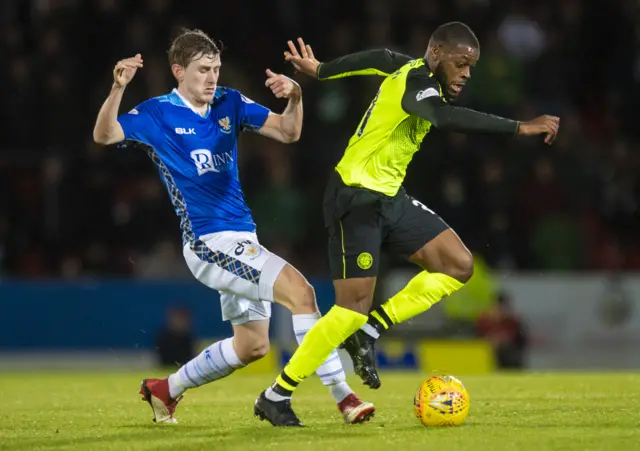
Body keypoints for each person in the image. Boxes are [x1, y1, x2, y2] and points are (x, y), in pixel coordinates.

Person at [254, 22, 559, 425]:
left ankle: (371, 330)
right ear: (437, 53)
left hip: (389, 197)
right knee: (350, 309)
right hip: (355, 198)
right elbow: (441, 116)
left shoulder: (411, 67)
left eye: (471, 66)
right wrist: (520, 127)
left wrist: (323, 70)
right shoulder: (418, 83)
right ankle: (277, 394)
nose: (467, 73)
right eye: (461, 63)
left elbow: (379, 57)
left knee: (459, 265)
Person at [93, 28, 374, 425]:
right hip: (208, 241)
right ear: (178, 71)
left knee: (252, 346)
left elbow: (288, 131)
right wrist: (117, 89)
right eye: (203, 70)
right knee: (302, 292)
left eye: (216, 69)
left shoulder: (230, 102)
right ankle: (344, 396)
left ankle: (165, 390)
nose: (212, 78)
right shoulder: (157, 113)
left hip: (242, 237)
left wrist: (295, 98)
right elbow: (104, 135)